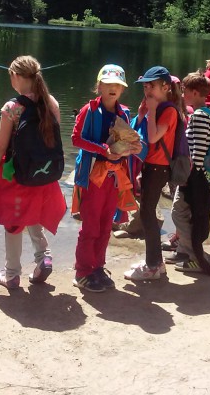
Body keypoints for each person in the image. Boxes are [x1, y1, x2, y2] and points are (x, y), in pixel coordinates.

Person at [0, 55, 66, 288]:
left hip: (16, 176)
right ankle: (44, 258)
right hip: (43, 176)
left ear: (15, 76)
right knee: (33, 213)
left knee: (13, 221)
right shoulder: (51, 103)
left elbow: (0, 147)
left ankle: (12, 274)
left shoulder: (12, 108)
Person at [72, 64, 141, 293]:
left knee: (105, 226)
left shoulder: (125, 113)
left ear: (122, 90)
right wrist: (103, 150)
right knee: (90, 226)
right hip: (93, 176)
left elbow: (127, 141)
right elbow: (76, 139)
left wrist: (134, 147)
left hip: (114, 177)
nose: (113, 88)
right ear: (99, 86)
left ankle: (98, 267)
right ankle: (82, 272)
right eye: (108, 83)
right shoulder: (89, 110)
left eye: (117, 85)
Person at [124, 66, 179, 281]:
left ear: (165, 87)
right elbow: (141, 136)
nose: (147, 90)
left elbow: (154, 137)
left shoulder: (169, 111)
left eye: (152, 86)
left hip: (158, 168)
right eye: (145, 86)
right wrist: (141, 115)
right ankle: (157, 263)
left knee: (147, 215)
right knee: (147, 213)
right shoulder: (157, 108)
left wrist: (152, 111)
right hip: (151, 165)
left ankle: (152, 265)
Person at [170, 70, 210, 276]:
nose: (182, 94)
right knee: (184, 213)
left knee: (177, 213)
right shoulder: (206, 114)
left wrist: (186, 177)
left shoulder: (199, 117)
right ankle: (184, 251)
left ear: (195, 93)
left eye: (185, 91)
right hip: (195, 174)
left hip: (192, 175)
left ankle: (195, 257)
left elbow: (196, 151)